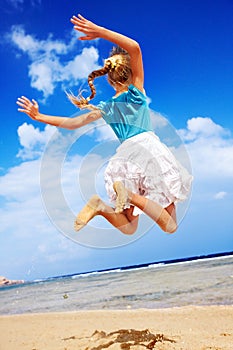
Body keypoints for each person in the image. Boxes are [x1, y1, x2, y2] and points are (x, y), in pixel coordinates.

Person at [17, 14, 192, 235]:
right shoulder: (136, 93)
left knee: (128, 227)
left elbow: (73, 123)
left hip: (125, 159)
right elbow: (135, 48)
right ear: (129, 74)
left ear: (109, 80)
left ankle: (99, 206)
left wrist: (39, 116)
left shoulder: (107, 107)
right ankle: (129, 196)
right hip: (148, 151)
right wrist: (100, 31)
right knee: (170, 225)